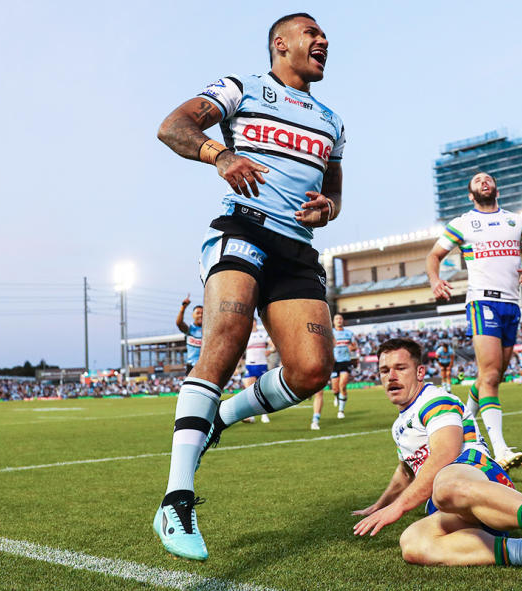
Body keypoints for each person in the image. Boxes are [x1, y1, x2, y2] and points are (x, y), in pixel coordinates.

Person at [152, 13, 345, 561]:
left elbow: (334, 196)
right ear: (281, 44)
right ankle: (176, 500)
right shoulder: (241, 88)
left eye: (325, 38)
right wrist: (222, 155)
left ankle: (221, 418)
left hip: (297, 249)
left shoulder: (332, 121)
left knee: (311, 371)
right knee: (228, 336)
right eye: (313, 34)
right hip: (244, 228)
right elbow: (173, 127)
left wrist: (328, 208)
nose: (323, 41)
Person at [352, 338, 522, 577]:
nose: (391, 376)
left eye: (400, 368)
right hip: (451, 507)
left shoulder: (434, 400)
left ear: (419, 372)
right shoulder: (400, 424)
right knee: (413, 543)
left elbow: (445, 454)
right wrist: (378, 506)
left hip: (480, 480)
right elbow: (406, 472)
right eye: (384, 370)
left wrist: (397, 508)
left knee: (444, 485)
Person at [426, 172, 522, 471]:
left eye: (488, 178)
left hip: (511, 305)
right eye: (477, 181)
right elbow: (434, 256)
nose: (483, 182)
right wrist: (435, 280)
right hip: (482, 301)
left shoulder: (516, 221)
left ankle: (465, 417)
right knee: (489, 375)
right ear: (470, 194)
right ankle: (499, 448)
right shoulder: (462, 223)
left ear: (496, 187)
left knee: (494, 375)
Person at [311, 314, 357, 429]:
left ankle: (341, 410)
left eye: (340, 319)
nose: (339, 320)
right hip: (333, 363)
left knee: (343, 385)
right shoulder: (329, 333)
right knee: (335, 388)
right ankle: (337, 396)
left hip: (345, 361)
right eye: (337, 319)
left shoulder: (349, 333)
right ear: (333, 321)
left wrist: (353, 348)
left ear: (343, 321)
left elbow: (354, 346)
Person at [241, 319, 273, 423]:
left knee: (262, 391)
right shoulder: (245, 336)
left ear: (255, 323)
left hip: (262, 365)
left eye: (253, 321)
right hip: (250, 365)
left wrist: (271, 350)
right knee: (250, 392)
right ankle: (251, 416)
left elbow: (273, 345)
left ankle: (264, 415)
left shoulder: (263, 334)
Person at [175, 295, 203, 375]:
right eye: (198, 313)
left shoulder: (209, 330)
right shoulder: (190, 329)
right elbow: (179, 323)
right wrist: (183, 308)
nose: (200, 315)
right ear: (193, 315)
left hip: (206, 366)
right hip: (192, 367)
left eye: (203, 313)